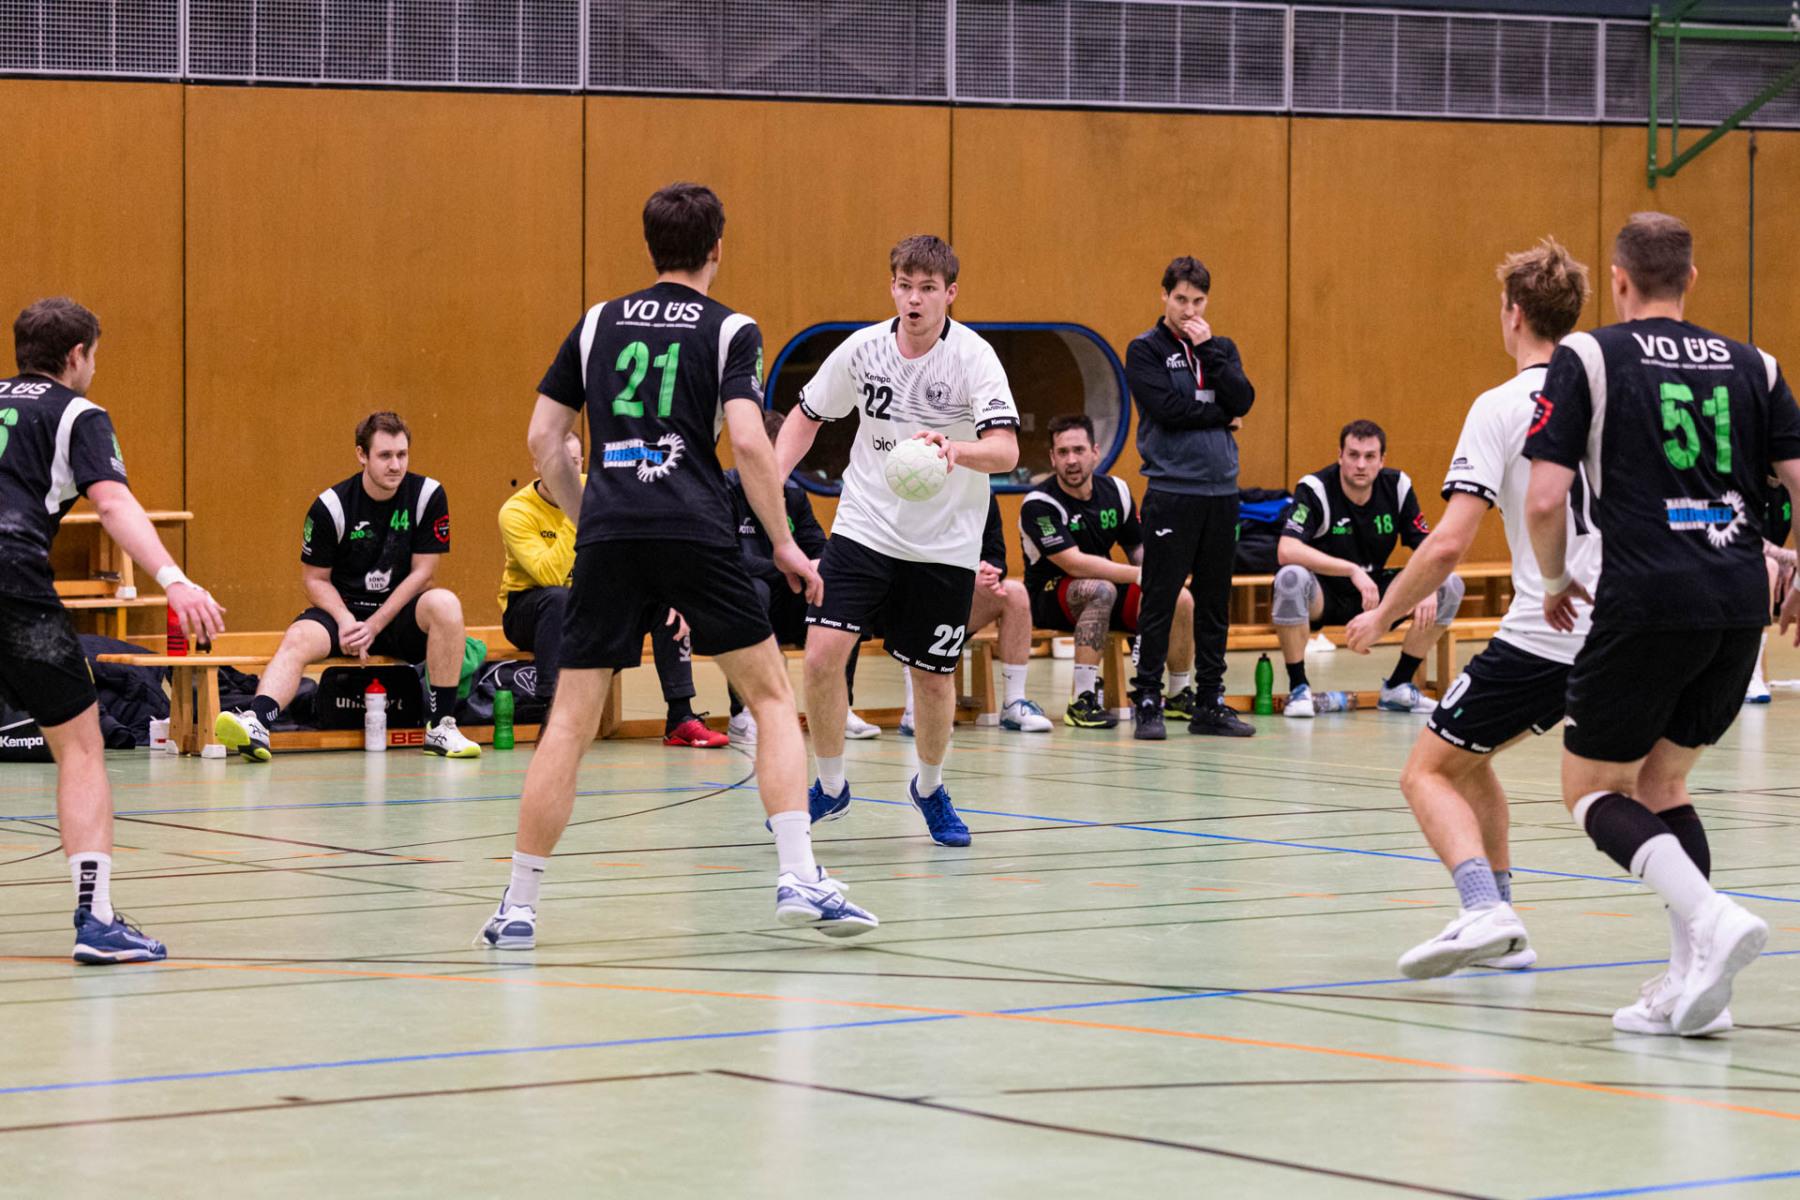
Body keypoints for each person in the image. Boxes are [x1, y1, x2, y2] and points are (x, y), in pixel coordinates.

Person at [479, 182, 875, 948]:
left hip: (610, 534)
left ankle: (518, 907)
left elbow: (543, 438)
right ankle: (799, 875)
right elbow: (750, 441)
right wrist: (784, 543)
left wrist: (589, 511)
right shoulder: (731, 329)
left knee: (569, 721)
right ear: (717, 248)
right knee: (770, 697)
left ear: (650, 246)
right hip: (694, 528)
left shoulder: (596, 323)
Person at [1525, 211, 1800, 1037]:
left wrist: (1552, 580)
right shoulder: (1757, 365)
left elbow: (1544, 498)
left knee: (1590, 790)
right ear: (1691, 279)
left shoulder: (1587, 355)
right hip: (1738, 606)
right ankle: (1692, 988)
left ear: (1617, 280)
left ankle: (1712, 918)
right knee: (1663, 785)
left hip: (1646, 599)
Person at [1344, 238, 1593, 979]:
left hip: (1545, 631)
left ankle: (1484, 908)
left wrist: (1383, 615)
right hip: (1618, 631)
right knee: (1470, 758)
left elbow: (1449, 543)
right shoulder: (1606, 397)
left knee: (1424, 771)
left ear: (1513, 314)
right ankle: (1504, 922)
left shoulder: (1502, 406)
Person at [775, 234, 1021, 848]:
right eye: (905, 286)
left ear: (950, 293)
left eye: (927, 289)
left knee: (932, 679)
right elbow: (806, 416)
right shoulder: (862, 351)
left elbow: (1006, 450)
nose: (914, 299)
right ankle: (830, 784)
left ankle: (930, 789)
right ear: (892, 287)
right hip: (864, 526)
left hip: (944, 544)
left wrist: (954, 449)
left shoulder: (974, 358)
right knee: (823, 656)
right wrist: (769, 481)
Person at [0, 298, 225, 963]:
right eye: (95, 355)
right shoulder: (78, 414)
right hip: (13, 584)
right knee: (81, 749)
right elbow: (111, 501)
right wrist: (174, 580)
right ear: (77, 356)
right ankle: (96, 921)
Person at [214, 412, 479, 761]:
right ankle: (256, 722)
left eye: (402, 454)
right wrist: (345, 621)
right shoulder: (331, 506)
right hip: (345, 614)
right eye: (385, 455)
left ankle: (440, 728)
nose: (395, 465)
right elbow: (314, 580)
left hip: (398, 615)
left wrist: (375, 625)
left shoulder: (427, 495)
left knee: (445, 603)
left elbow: (424, 574)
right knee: (298, 636)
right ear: (361, 455)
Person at [499, 430, 727, 748]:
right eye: (555, 461)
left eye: (572, 462)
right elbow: (550, 575)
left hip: (589, 603)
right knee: (558, 598)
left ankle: (680, 717)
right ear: (538, 464)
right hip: (531, 611)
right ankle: (553, 718)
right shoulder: (516, 511)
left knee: (666, 602)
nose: (565, 470)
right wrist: (577, 510)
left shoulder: (601, 492)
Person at [1125, 256, 1255, 740]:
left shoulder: (1221, 348)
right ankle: (1147, 700)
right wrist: (1223, 415)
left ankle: (1210, 703)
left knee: (1215, 602)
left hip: (1222, 492)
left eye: (1198, 301)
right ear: (1164, 296)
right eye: (1180, 299)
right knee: (1160, 598)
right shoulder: (1145, 349)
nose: (1188, 310)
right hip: (1172, 491)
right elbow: (1168, 409)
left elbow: (1243, 399)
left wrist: (1209, 352)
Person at [1275, 420, 1466, 717]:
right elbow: (1287, 549)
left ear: (1382, 460)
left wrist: (1428, 586)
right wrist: (1352, 570)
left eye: (1369, 456)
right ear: (1340, 456)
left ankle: (1398, 686)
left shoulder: (1397, 486)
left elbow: (1427, 547)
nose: (1361, 464)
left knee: (1448, 584)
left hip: (1376, 594)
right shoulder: (1315, 488)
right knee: (1290, 578)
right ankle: (1299, 688)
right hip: (1324, 594)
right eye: (1353, 455)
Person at [1020, 413, 1196, 729]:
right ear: (1053, 458)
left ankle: (1179, 693)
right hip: (1049, 596)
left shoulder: (1117, 490)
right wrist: (1140, 576)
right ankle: (1082, 700)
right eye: (1063, 452)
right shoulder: (1039, 504)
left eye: (1079, 450)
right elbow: (1074, 563)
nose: (1071, 460)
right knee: (1100, 589)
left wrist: (1159, 575)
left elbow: (1137, 549)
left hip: (1108, 590)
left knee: (1180, 598)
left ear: (1095, 452)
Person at [720, 408, 870, 745]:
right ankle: (742, 714)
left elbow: (818, 547)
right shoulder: (725, 490)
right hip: (741, 604)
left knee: (839, 597)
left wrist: (817, 566)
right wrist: (787, 567)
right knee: (752, 589)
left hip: (787, 601)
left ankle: (839, 706)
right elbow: (726, 559)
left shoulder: (795, 496)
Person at [899, 492, 1051, 734]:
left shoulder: (983, 493)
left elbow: (996, 554)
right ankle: (914, 708)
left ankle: (1013, 703)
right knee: (920, 589)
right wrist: (967, 576)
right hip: (909, 601)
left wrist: (989, 571)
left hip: (962, 598)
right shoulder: (917, 492)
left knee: (1015, 593)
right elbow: (906, 561)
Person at [1745, 478, 1793, 703]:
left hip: (1772, 563)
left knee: (1773, 566)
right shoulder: (1746, 479)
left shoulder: (1788, 487)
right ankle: (1750, 675)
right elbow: (1744, 535)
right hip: (1727, 564)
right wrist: (1787, 556)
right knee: (1768, 567)